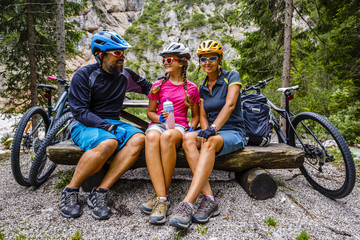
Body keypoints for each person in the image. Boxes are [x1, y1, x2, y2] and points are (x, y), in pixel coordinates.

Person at [60, 30, 152, 220]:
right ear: (101, 55)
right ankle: (70, 191)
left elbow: (150, 88)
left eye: (123, 53)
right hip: (83, 123)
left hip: (112, 123)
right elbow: (79, 111)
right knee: (109, 142)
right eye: (117, 53)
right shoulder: (84, 75)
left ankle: (100, 191)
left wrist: (178, 90)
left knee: (139, 138)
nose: (123, 57)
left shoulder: (125, 75)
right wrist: (107, 127)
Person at [169, 40, 246, 228]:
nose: (207, 62)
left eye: (212, 58)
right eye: (203, 59)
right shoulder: (202, 86)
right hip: (213, 131)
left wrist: (213, 129)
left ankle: (187, 203)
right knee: (188, 138)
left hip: (233, 131)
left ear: (219, 59)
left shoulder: (231, 76)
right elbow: (202, 114)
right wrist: (204, 131)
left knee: (209, 142)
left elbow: (230, 105)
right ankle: (210, 198)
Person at [139, 42, 200, 224]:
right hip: (159, 123)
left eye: (170, 59)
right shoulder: (158, 85)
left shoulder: (191, 88)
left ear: (182, 63)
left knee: (166, 136)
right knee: (150, 136)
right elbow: (150, 113)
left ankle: (160, 198)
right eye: (164, 59)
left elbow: (195, 116)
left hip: (179, 126)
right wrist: (161, 118)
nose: (166, 62)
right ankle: (162, 198)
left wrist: (190, 129)